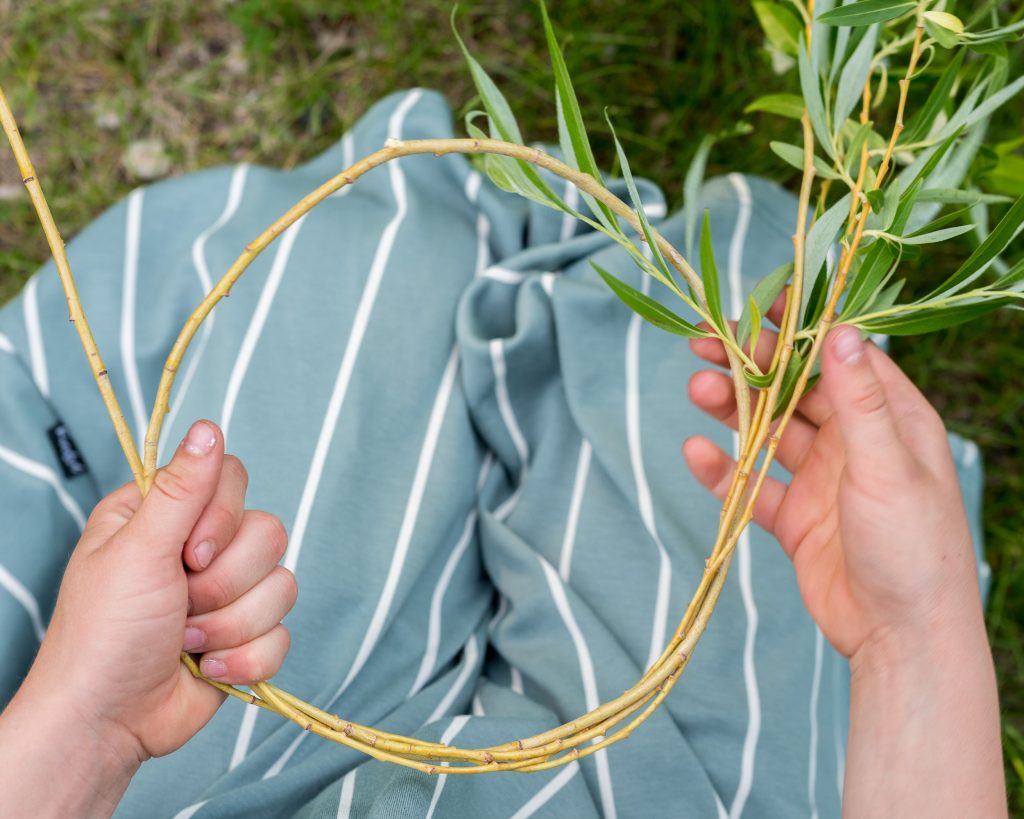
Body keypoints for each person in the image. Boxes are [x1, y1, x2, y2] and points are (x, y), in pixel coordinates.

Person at [0, 89, 1006, 817]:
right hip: (670, 796)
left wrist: (91, 733)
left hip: (171, 782)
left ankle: (472, 271)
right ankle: (541, 286)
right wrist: (910, 636)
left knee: (352, 282)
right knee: (738, 291)